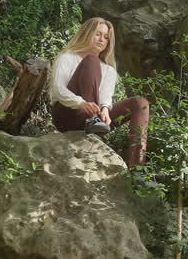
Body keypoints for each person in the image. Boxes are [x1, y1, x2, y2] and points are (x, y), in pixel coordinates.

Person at [50, 17, 150, 167]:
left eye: (106, 37)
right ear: (86, 33)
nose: (102, 40)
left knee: (140, 103)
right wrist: (80, 103)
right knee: (91, 61)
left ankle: (137, 166)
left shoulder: (109, 69)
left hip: (95, 120)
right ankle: (92, 121)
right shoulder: (67, 57)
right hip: (67, 114)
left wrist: (104, 109)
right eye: (98, 34)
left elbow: (105, 96)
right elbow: (58, 90)